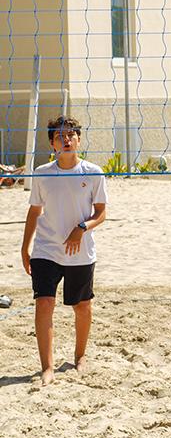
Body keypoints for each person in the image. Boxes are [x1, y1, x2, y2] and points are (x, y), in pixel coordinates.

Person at [20, 116, 107, 386]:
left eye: (71, 135)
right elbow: (35, 211)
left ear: (79, 139)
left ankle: (79, 357)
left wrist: (82, 227)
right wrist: (25, 248)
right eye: (60, 136)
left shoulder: (93, 172)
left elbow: (101, 213)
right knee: (45, 303)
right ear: (52, 143)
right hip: (46, 249)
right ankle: (47, 368)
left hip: (80, 250)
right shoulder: (43, 172)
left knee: (81, 306)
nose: (66, 140)